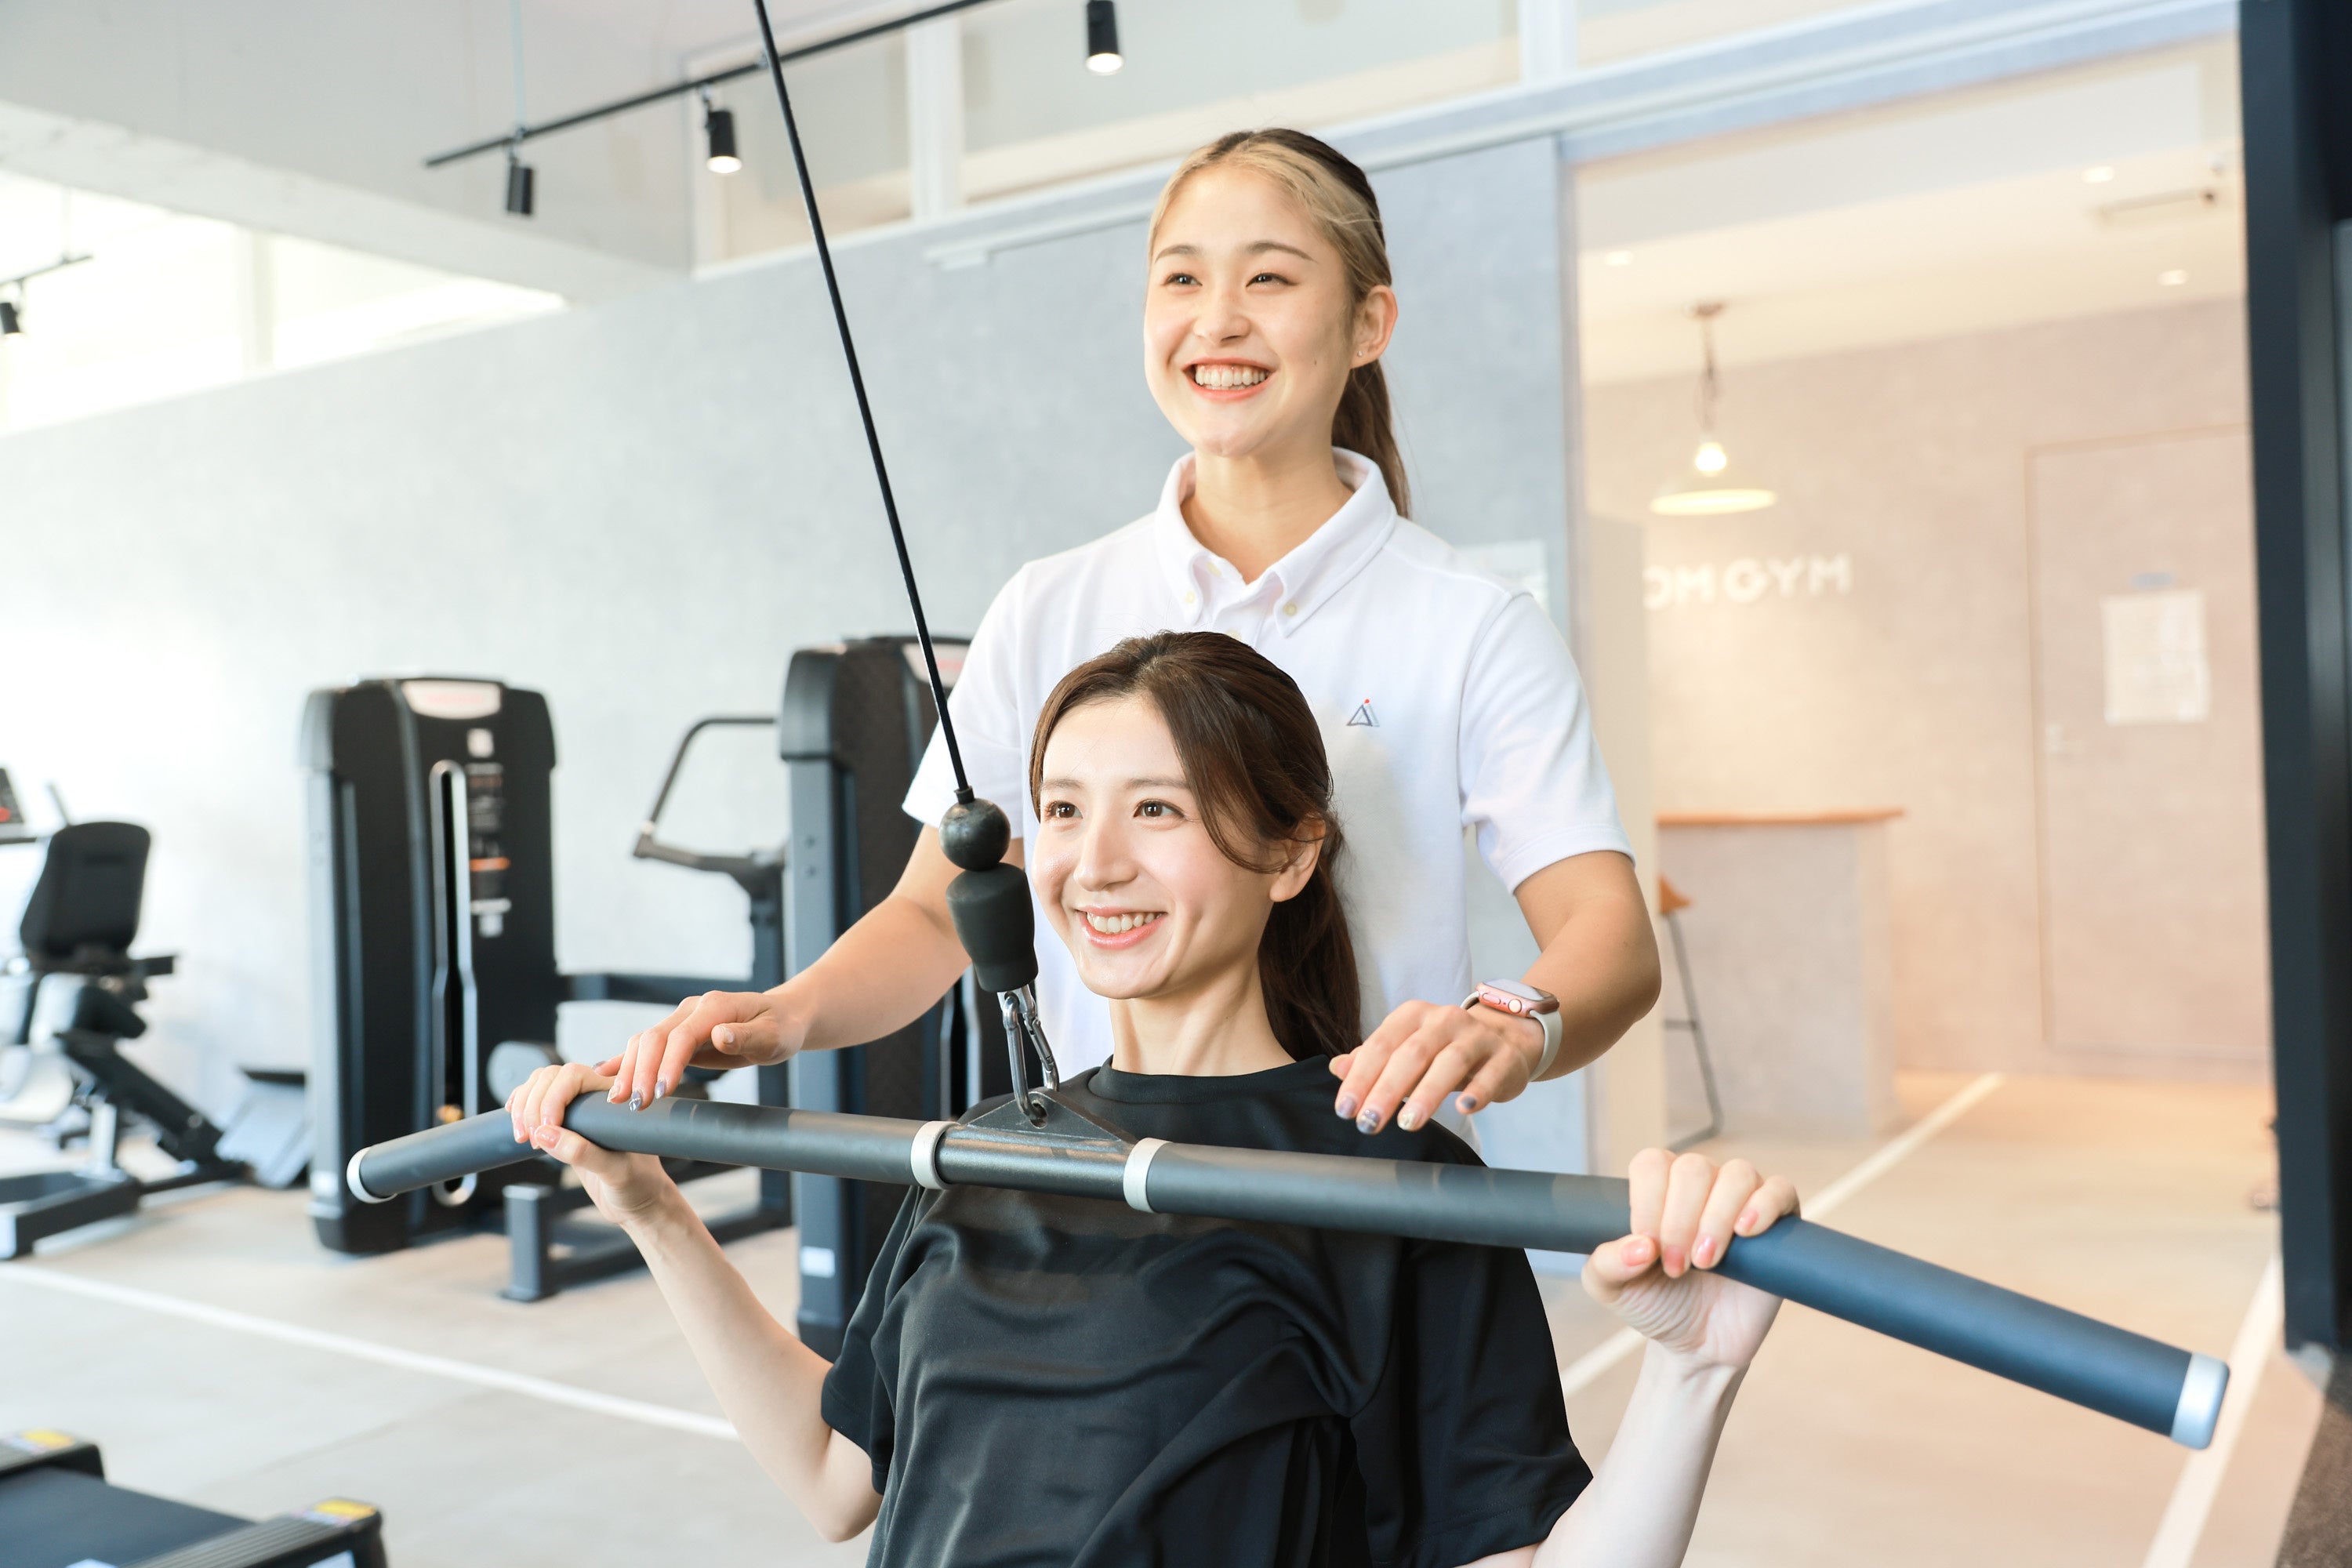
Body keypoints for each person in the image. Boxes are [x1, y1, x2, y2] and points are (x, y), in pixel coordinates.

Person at [510, 633, 1795, 1566]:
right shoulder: (996, 1150)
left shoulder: (1393, 1186)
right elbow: (836, 1479)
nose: (1095, 862)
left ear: (1292, 853)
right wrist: (652, 1210)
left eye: (1158, 810)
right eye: (1062, 811)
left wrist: (1690, 1379)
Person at [601, 126, 1659, 1140]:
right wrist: (786, 1015)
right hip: (1116, 1198)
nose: (1219, 320)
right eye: (1183, 278)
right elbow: (934, 916)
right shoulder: (1048, 606)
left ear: (1369, 323)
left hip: (1369, 1201)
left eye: (1270, 278)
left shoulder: (1472, 624)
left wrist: (1511, 1022)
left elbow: (1609, 938)